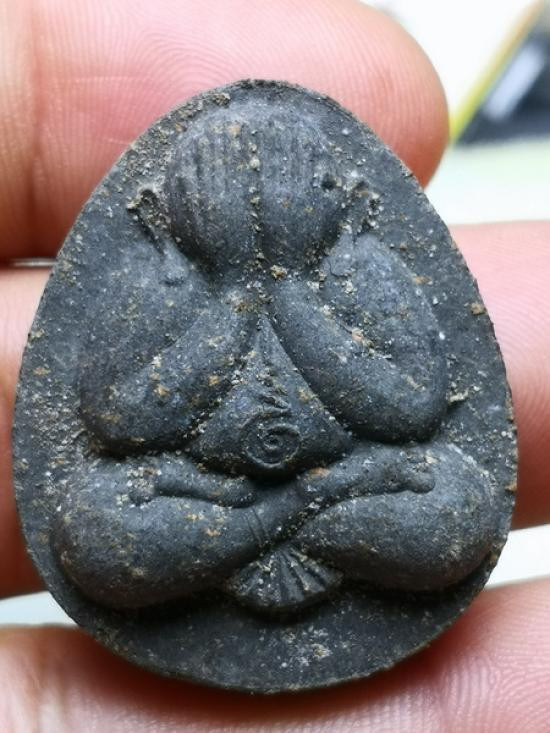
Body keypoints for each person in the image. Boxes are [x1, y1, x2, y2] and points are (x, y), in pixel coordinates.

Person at [1, 1, 550, 729]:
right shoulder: (159, 277)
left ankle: (264, 529)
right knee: (92, 526)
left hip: (350, 486)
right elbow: (118, 422)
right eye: (221, 196)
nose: (257, 211)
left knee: (457, 508)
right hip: (199, 489)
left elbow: (412, 409)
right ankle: (262, 526)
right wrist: (233, 296)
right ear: (176, 210)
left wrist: (290, 293)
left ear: (336, 200)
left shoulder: (361, 268)